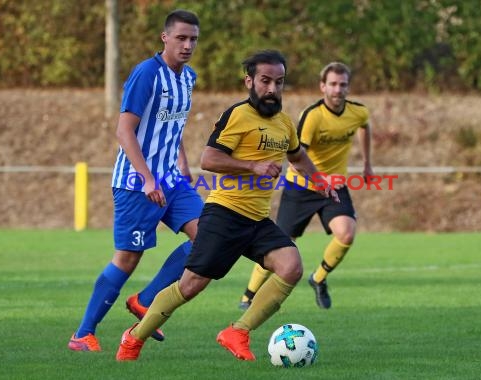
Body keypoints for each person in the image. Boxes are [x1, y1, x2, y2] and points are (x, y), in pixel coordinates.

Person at [115, 50, 338, 361]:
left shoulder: (285, 124)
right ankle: (133, 338)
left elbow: (297, 156)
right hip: (224, 214)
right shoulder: (237, 115)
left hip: (257, 220)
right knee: (190, 286)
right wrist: (253, 166)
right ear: (249, 81)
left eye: (279, 82)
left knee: (291, 266)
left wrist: (321, 182)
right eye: (265, 81)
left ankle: (238, 331)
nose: (272, 89)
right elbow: (209, 159)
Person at [68, 9, 203, 352]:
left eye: (193, 40)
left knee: (210, 239)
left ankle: (145, 301)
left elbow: (174, 126)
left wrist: (183, 165)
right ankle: (83, 334)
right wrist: (146, 178)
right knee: (128, 258)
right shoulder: (147, 74)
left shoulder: (188, 78)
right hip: (136, 183)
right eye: (181, 38)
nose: (187, 45)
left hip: (171, 181)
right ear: (165, 38)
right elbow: (124, 130)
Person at [238, 62, 374, 310]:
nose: (337, 90)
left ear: (348, 87)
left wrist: (367, 163)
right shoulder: (312, 117)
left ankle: (318, 278)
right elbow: (298, 158)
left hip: (334, 185)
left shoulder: (358, 112)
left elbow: (364, 127)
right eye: (332, 84)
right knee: (280, 244)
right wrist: (318, 180)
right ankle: (249, 295)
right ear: (323, 86)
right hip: (301, 187)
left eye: (342, 85)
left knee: (347, 232)